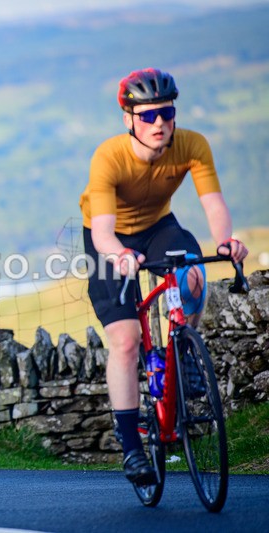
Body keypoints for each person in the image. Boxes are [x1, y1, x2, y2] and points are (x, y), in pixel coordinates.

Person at [79, 68, 249, 485]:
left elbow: (213, 202)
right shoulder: (109, 156)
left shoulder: (192, 144)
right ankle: (132, 449)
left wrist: (226, 241)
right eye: (149, 115)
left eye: (167, 113)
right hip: (109, 238)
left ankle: (184, 353)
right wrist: (119, 254)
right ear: (129, 119)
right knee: (125, 339)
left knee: (191, 276)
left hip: (159, 227)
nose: (160, 124)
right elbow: (102, 231)